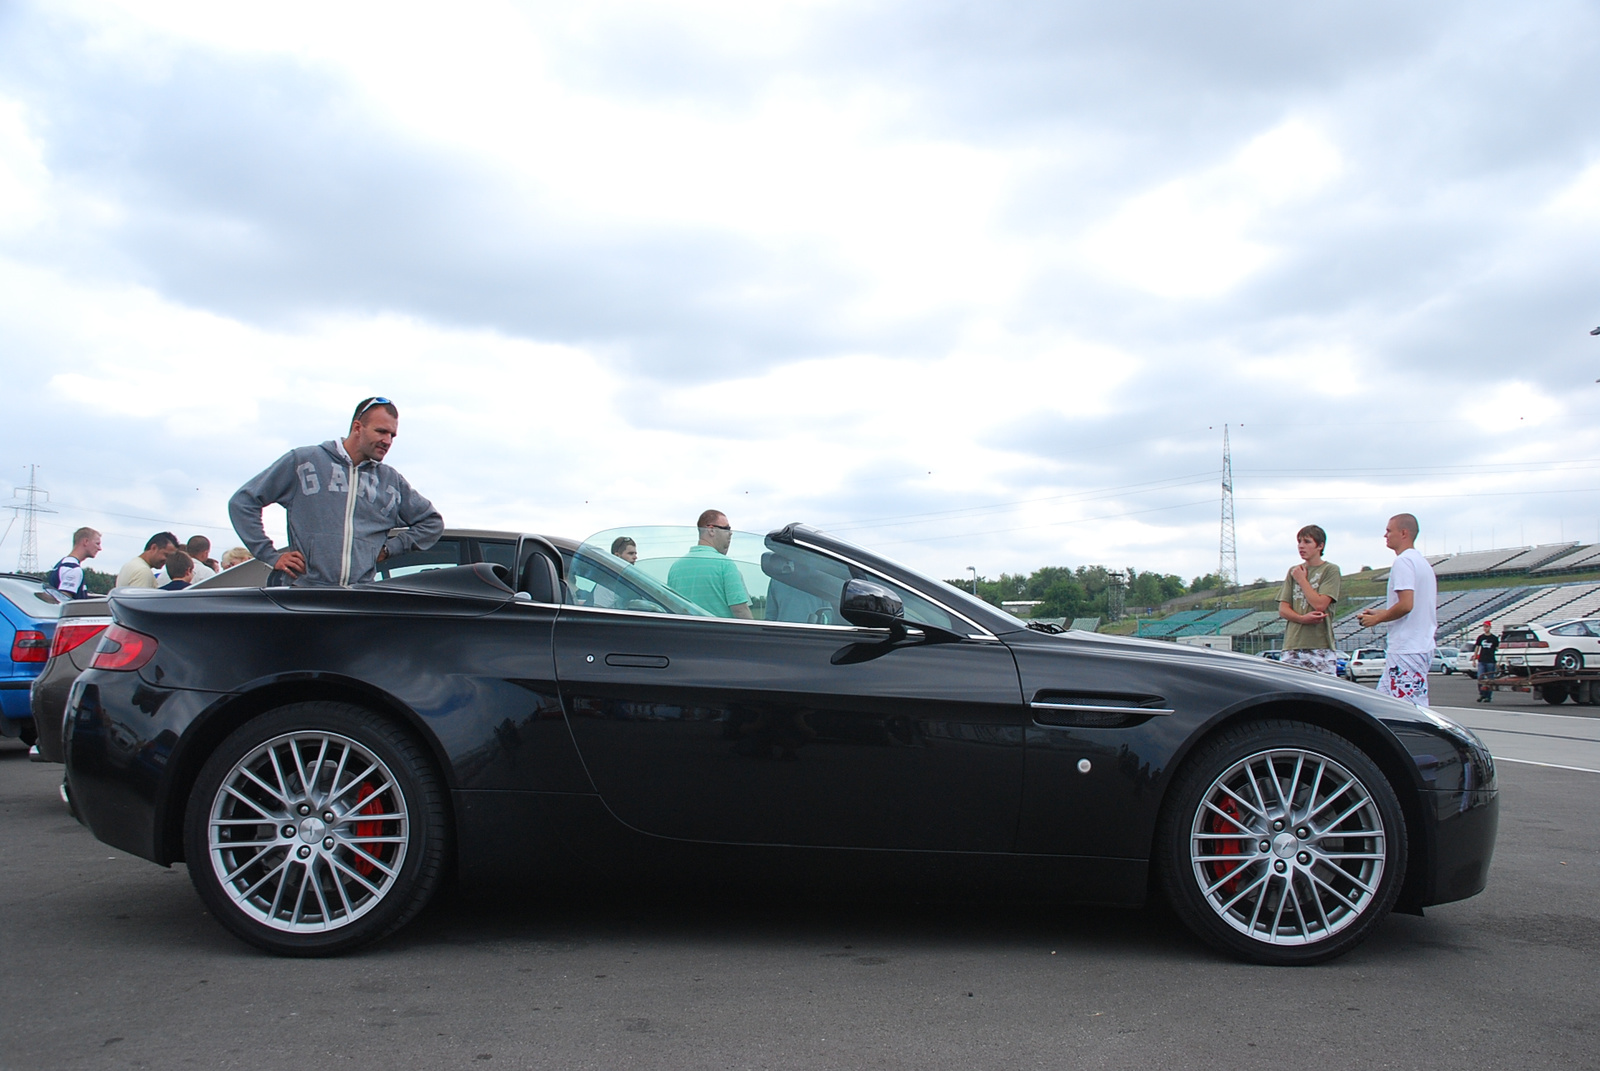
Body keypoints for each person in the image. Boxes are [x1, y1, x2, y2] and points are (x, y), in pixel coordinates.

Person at [228, 397, 443, 587]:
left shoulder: (390, 481)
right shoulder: (304, 461)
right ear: (358, 427)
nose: (387, 441)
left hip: (358, 600)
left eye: (392, 435)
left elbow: (432, 522)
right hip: (305, 596)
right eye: (381, 431)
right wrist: (270, 555)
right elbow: (243, 502)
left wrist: (389, 549)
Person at [1356, 513, 1438, 707]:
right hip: (1416, 645)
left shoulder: (1404, 562)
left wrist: (1378, 619)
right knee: (1382, 705)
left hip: (1408, 648)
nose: (1385, 535)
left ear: (1403, 533)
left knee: (1407, 708)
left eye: (1388, 531)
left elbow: (1406, 605)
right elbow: (1411, 605)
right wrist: (1380, 613)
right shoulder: (1421, 562)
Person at [1276, 524, 1342, 675]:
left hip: (1319, 645)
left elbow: (1320, 604)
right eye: (1299, 542)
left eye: (1307, 542)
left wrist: (1302, 580)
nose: (1301, 546)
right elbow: (1283, 609)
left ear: (1320, 546)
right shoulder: (1294, 571)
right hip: (1293, 645)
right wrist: (1301, 618)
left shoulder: (1330, 570)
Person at [666, 510, 753, 619]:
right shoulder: (725, 564)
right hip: (717, 634)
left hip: (685, 634)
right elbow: (740, 610)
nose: (730, 533)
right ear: (711, 530)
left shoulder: (675, 567)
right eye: (726, 529)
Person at [47, 527, 102, 600]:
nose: (99, 548)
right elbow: (64, 601)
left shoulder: (62, 564)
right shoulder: (72, 569)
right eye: (97, 543)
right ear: (86, 541)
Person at [1472, 620, 1500, 703]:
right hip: (1482, 660)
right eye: (1484, 627)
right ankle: (1482, 694)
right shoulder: (1481, 637)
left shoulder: (1494, 638)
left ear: (1490, 628)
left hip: (1491, 660)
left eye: (1487, 627)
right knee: (1480, 677)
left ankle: (1488, 696)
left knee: (1490, 679)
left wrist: (1497, 662)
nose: (1485, 628)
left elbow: (1497, 650)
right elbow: (1477, 648)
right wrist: (1474, 659)